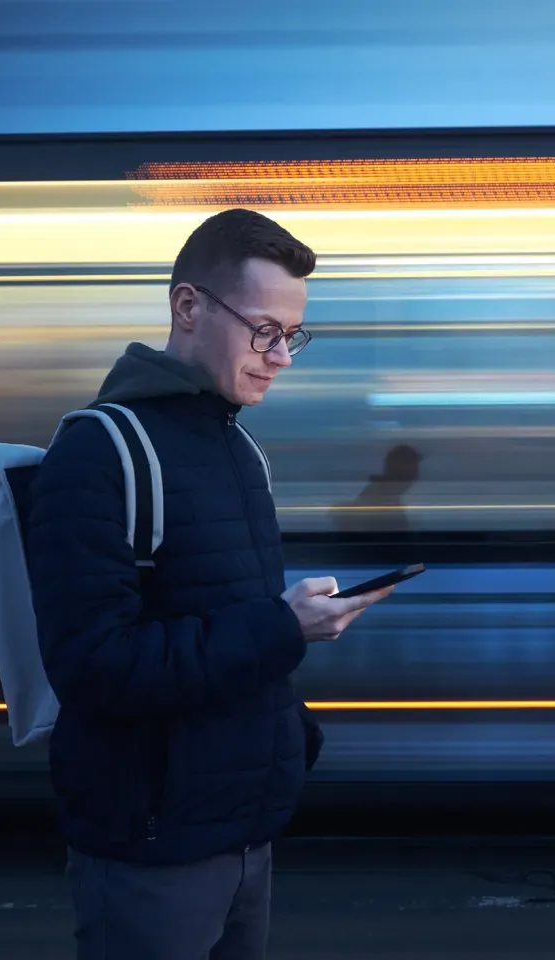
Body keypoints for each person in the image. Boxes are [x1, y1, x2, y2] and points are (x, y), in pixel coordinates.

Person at [25, 208, 394, 959]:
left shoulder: (240, 450)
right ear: (188, 307)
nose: (281, 357)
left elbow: (227, 624)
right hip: (153, 847)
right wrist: (283, 629)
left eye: (292, 336)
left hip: (242, 827)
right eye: (264, 330)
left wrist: (288, 736)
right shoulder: (101, 453)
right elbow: (93, 665)